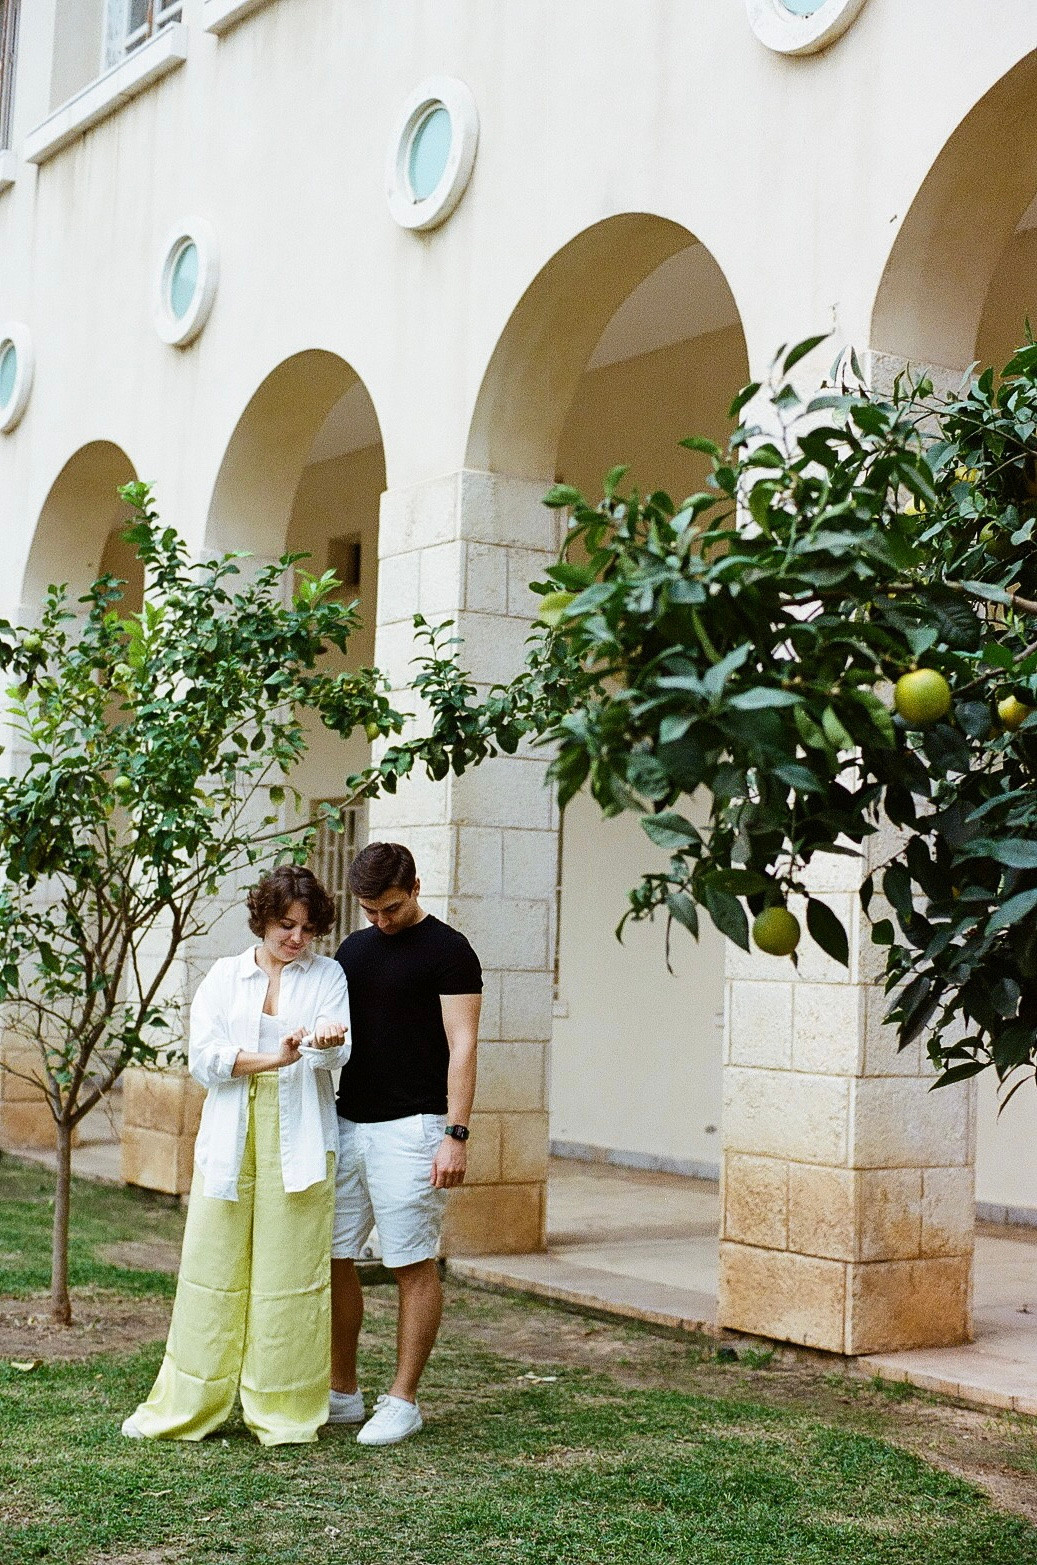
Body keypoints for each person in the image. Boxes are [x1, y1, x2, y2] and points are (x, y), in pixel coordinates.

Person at [121, 865, 350, 1446]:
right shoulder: (224, 976)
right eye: (284, 924)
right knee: (212, 1270)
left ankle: (285, 1412)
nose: (295, 938)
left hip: (299, 1143)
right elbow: (204, 1058)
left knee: (291, 1276)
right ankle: (191, 1403)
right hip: (230, 1138)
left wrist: (323, 1043)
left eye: (305, 927)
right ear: (263, 920)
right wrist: (274, 1058)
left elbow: (335, 1052)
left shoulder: (329, 974)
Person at [328, 841, 482, 1446]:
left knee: (409, 1261)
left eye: (390, 908)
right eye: (370, 911)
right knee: (336, 1255)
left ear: (415, 887)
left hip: (415, 1128)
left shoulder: (450, 951)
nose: (381, 921)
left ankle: (402, 1399)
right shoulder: (353, 950)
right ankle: (344, 1391)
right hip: (347, 1122)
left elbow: (464, 1045)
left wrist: (455, 1135)